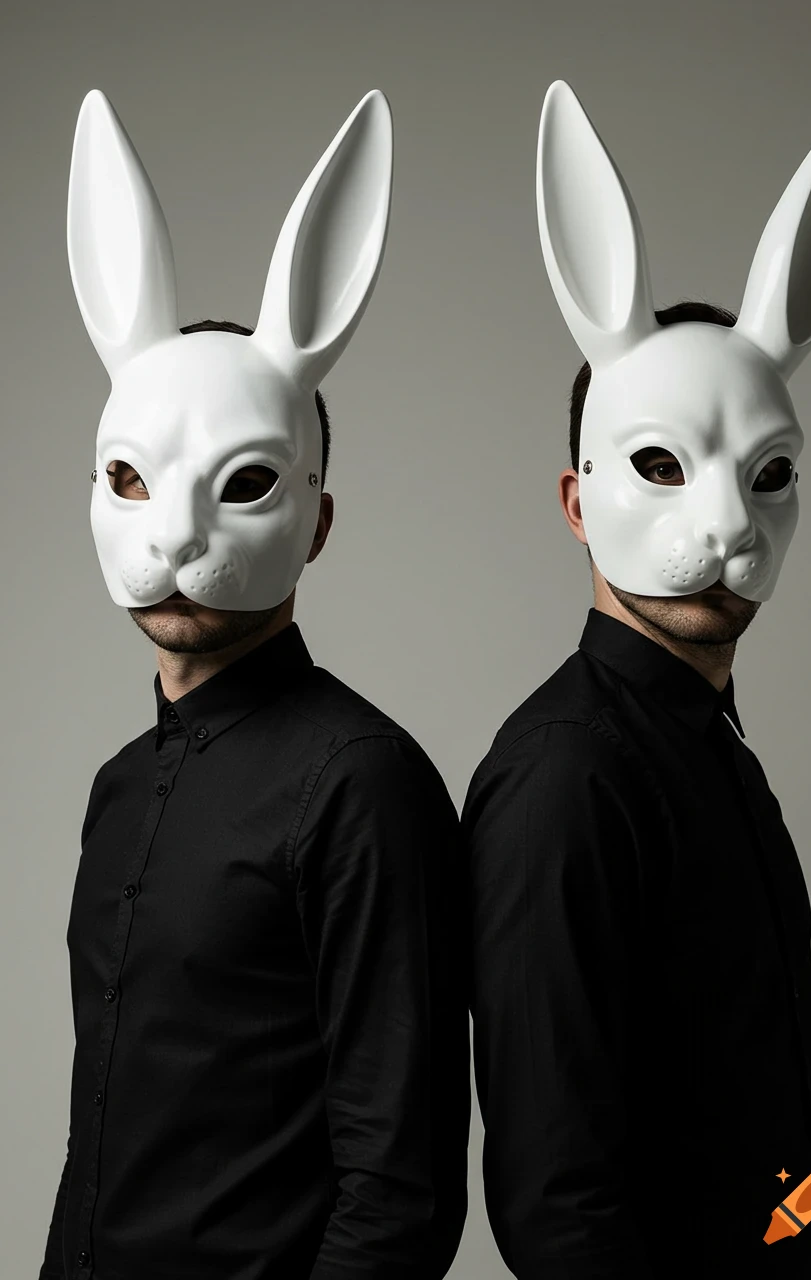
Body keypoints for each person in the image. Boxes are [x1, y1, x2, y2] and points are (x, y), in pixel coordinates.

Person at [40, 88, 468, 1280]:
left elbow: (400, 1181)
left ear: (317, 522)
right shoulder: (119, 787)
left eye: (241, 486)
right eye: (130, 480)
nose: (174, 536)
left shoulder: (362, 786)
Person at [464, 81, 811, 1279]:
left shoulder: (711, 752)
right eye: (659, 466)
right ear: (577, 504)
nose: (725, 525)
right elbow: (552, 1194)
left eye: (767, 474)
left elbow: (771, 1122)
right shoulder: (566, 775)